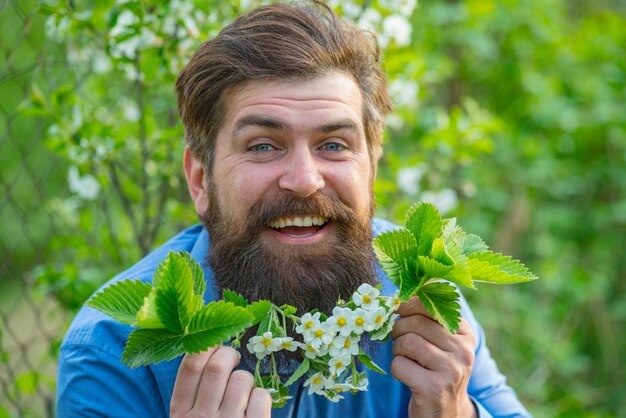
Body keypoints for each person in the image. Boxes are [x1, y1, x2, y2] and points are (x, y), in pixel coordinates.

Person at [57, 1, 531, 417]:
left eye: (333, 144)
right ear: (201, 180)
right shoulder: (114, 349)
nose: (305, 180)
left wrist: (454, 414)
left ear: (371, 168)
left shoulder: (417, 297)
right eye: (263, 146)